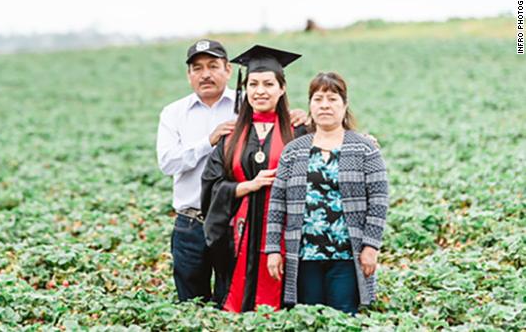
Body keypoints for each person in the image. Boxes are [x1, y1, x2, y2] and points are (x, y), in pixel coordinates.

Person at [157, 40, 307, 304]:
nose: (206, 74)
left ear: (228, 70)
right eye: (197, 67)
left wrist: (300, 117)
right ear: (189, 74)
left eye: (213, 66)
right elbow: (168, 163)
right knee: (194, 301)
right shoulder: (174, 113)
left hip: (242, 228)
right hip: (194, 221)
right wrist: (210, 141)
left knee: (236, 293)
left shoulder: (244, 107)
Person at [265, 72, 389, 315]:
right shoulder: (294, 151)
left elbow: (378, 201)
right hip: (304, 254)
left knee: (343, 315)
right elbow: (277, 203)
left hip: (346, 254)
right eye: (318, 99)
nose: (324, 105)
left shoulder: (365, 149)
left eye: (332, 99)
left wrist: (370, 247)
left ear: (344, 105)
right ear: (310, 105)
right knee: (309, 317)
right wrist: (272, 249)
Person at [200, 45, 307, 312]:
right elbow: (211, 185)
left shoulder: (300, 131)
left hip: (285, 233)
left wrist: (365, 142)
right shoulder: (231, 135)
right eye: (253, 84)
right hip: (238, 236)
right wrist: (247, 186)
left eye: (269, 84)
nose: (260, 91)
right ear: (245, 89)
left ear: (282, 88)